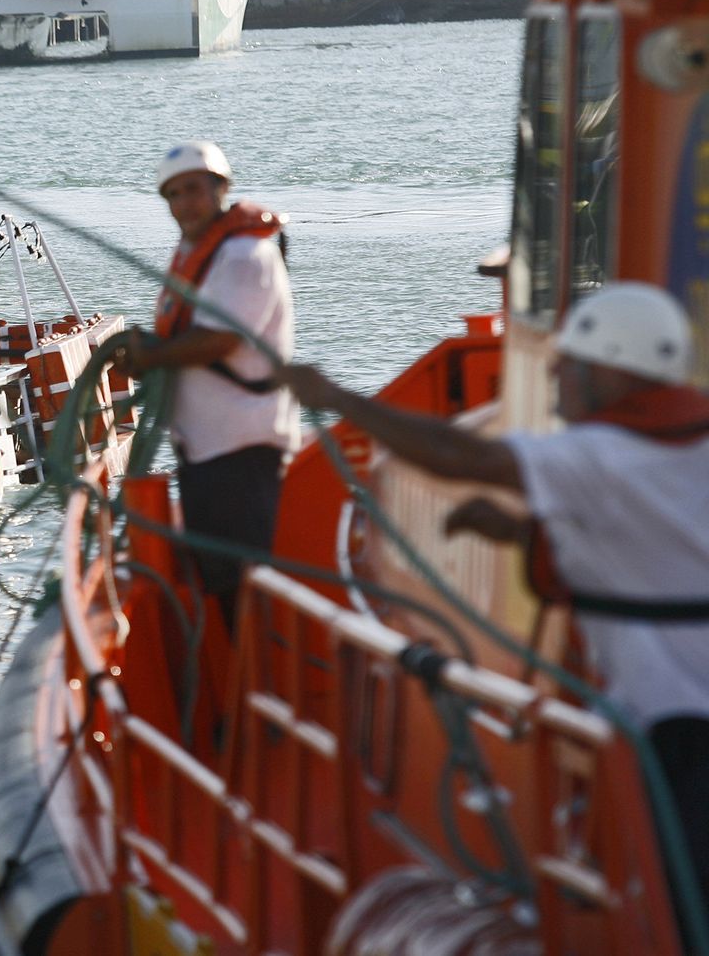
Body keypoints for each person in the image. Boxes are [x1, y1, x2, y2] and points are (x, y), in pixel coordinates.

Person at [277, 281, 709, 927]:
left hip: (678, 733)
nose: (557, 371)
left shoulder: (599, 455)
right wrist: (517, 533)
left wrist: (336, 399)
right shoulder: (684, 445)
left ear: (616, 369)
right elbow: (658, 546)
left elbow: (460, 455)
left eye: (573, 361)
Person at [116, 141, 299, 625]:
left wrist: (151, 355)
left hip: (241, 455)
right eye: (173, 195)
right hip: (208, 456)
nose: (184, 204)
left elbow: (218, 341)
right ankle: (246, 686)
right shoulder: (204, 253)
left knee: (244, 590)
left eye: (194, 190)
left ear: (221, 188)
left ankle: (255, 688)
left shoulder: (243, 256)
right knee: (225, 587)